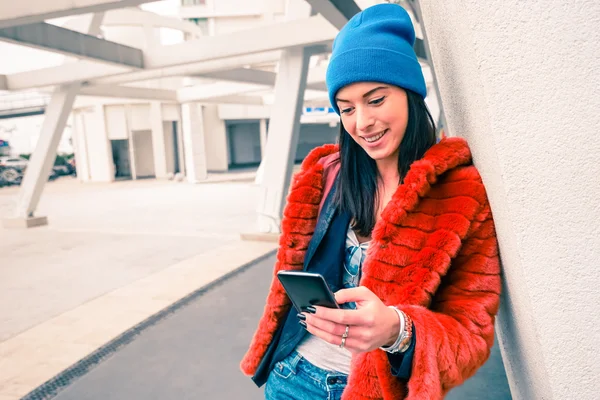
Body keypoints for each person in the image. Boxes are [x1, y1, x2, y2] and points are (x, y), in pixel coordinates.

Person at [241, 3, 501, 399]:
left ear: (411, 95)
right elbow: (288, 282)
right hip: (290, 378)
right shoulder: (324, 175)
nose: (361, 122)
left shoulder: (459, 194)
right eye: (346, 109)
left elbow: (472, 332)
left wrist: (398, 329)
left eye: (376, 100)